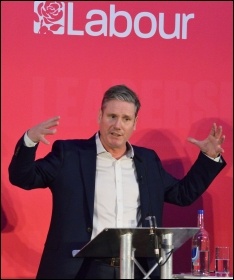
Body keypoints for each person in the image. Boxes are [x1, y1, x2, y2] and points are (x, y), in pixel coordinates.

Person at [8, 84, 226, 279]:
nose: (117, 125)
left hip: (138, 269)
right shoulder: (70, 154)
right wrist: (29, 141)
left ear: (135, 123)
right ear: (99, 116)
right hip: (81, 270)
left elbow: (182, 194)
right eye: (111, 116)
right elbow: (23, 178)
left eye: (126, 119)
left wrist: (209, 158)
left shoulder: (147, 160)